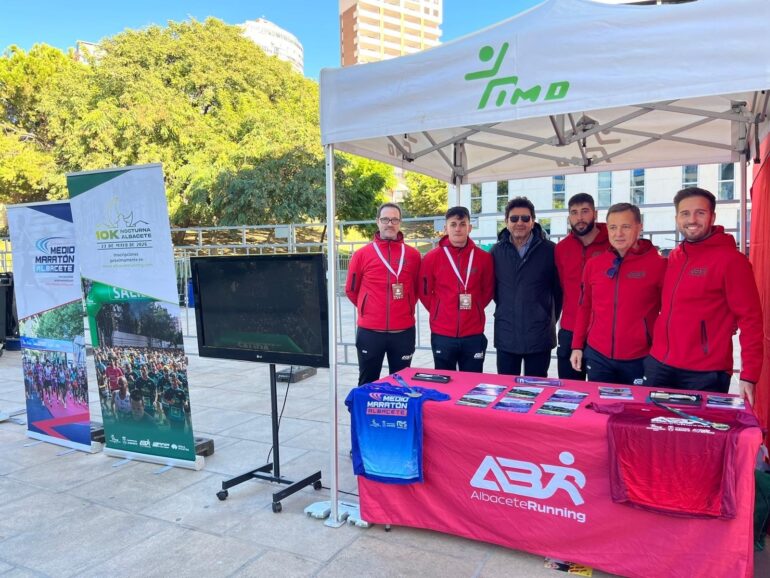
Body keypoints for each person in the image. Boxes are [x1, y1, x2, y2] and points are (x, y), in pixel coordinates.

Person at [644, 187, 764, 404]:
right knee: (652, 425)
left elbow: (751, 319)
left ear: (712, 217)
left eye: (700, 213)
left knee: (700, 428)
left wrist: (749, 375)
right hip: (659, 364)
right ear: (677, 218)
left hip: (704, 372)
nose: (692, 220)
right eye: (685, 213)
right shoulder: (675, 257)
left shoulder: (731, 261)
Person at [569, 203, 666, 385]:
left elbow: (669, 313)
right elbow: (584, 307)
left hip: (640, 357)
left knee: (637, 404)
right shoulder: (594, 265)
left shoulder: (658, 265)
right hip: (598, 355)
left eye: (625, 227)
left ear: (639, 227)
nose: (618, 233)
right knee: (599, 403)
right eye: (613, 227)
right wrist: (577, 346)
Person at [346, 202, 422, 385]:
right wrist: (369, 307)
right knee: (367, 383)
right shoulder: (361, 254)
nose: (390, 224)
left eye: (394, 220)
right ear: (377, 221)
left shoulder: (413, 255)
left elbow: (417, 289)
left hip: (403, 331)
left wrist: (404, 306)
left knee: (402, 385)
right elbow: (351, 290)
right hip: (370, 332)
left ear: (400, 222)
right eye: (385, 219)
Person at [491, 197, 562, 377]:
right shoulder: (496, 252)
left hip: (539, 335)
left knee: (537, 388)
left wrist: (546, 316)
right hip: (507, 334)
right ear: (506, 222)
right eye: (514, 218)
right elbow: (493, 290)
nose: (519, 223)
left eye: (525, 218)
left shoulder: (551, 251)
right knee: (506, 388)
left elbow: (558, 292)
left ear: (533, 221)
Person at [418, 206, 494, 372]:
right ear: (446, 228)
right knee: (444, 380)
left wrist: (475, 308)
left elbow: (488, 290)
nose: (458, 229)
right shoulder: (431, 258)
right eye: (453, 224)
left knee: (472, 381)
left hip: (473, 332)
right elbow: (424, 292)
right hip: (442, 332)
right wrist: (439, 309)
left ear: (470, 227)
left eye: (462, 224)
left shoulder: (484, 258)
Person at [555, 193, 610, 380]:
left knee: (601, 390)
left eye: (585, 211)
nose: (579, 217)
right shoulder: (561, 248)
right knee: (569, 390)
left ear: (595, 213)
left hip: (601, 330)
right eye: (574, 212)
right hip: (570, 329)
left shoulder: (612, 243)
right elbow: (562, 286)